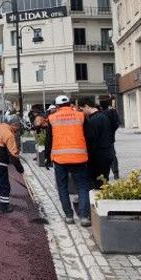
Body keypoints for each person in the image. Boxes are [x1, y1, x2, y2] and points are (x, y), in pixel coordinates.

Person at [46, 95, 91, 227]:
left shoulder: (52, 118)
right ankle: (84, 217)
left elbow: (49, 140)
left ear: (57, 106)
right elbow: (89, 136)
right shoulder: (80, 116)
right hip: (79, 158)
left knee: (62, 187)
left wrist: (47, 158)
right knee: (82, 187)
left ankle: (69, 216)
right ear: (70, 104)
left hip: (60, 159)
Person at [81, 99, 113, 188]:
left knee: (96, 183)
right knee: (104, 180)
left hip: (97, 156)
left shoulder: (92, 120)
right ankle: (105, 199)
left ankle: (99, 200)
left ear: (87, 106)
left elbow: (91, 140)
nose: (83, 112)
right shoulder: (104, 116)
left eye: (82, 109)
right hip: (107, 152)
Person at [102, 103, 121, 179]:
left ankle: (105, 174)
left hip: (103, 140)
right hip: (110, 139)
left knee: (104, 157)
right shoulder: (112, 113)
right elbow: (116, 124)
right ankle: (116, 173)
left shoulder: (102, 115)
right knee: (112, 156)